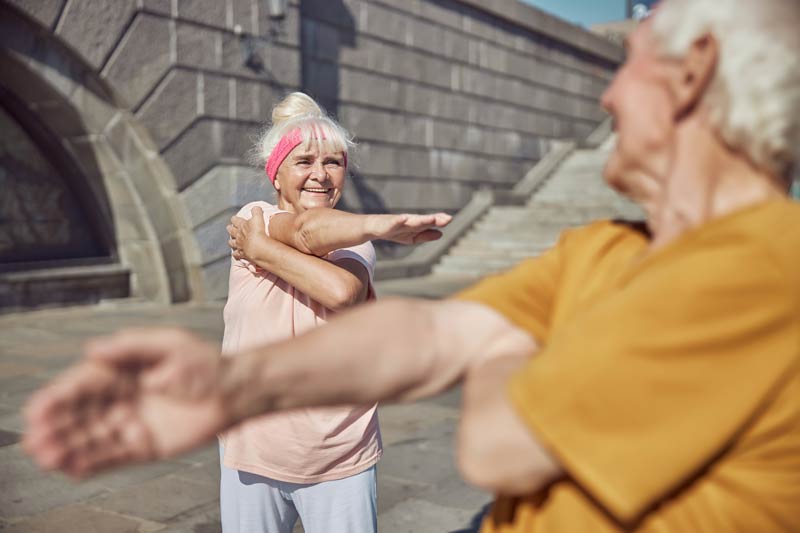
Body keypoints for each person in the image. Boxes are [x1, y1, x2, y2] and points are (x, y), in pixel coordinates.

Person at [23, 1, 800, 531]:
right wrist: (228, 384)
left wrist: (493, 348)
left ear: (693, 72)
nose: (604, 102)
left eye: (626, 62)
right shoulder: (602, 247)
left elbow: (496, 444)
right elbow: (424, 336)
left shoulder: (756, 274)